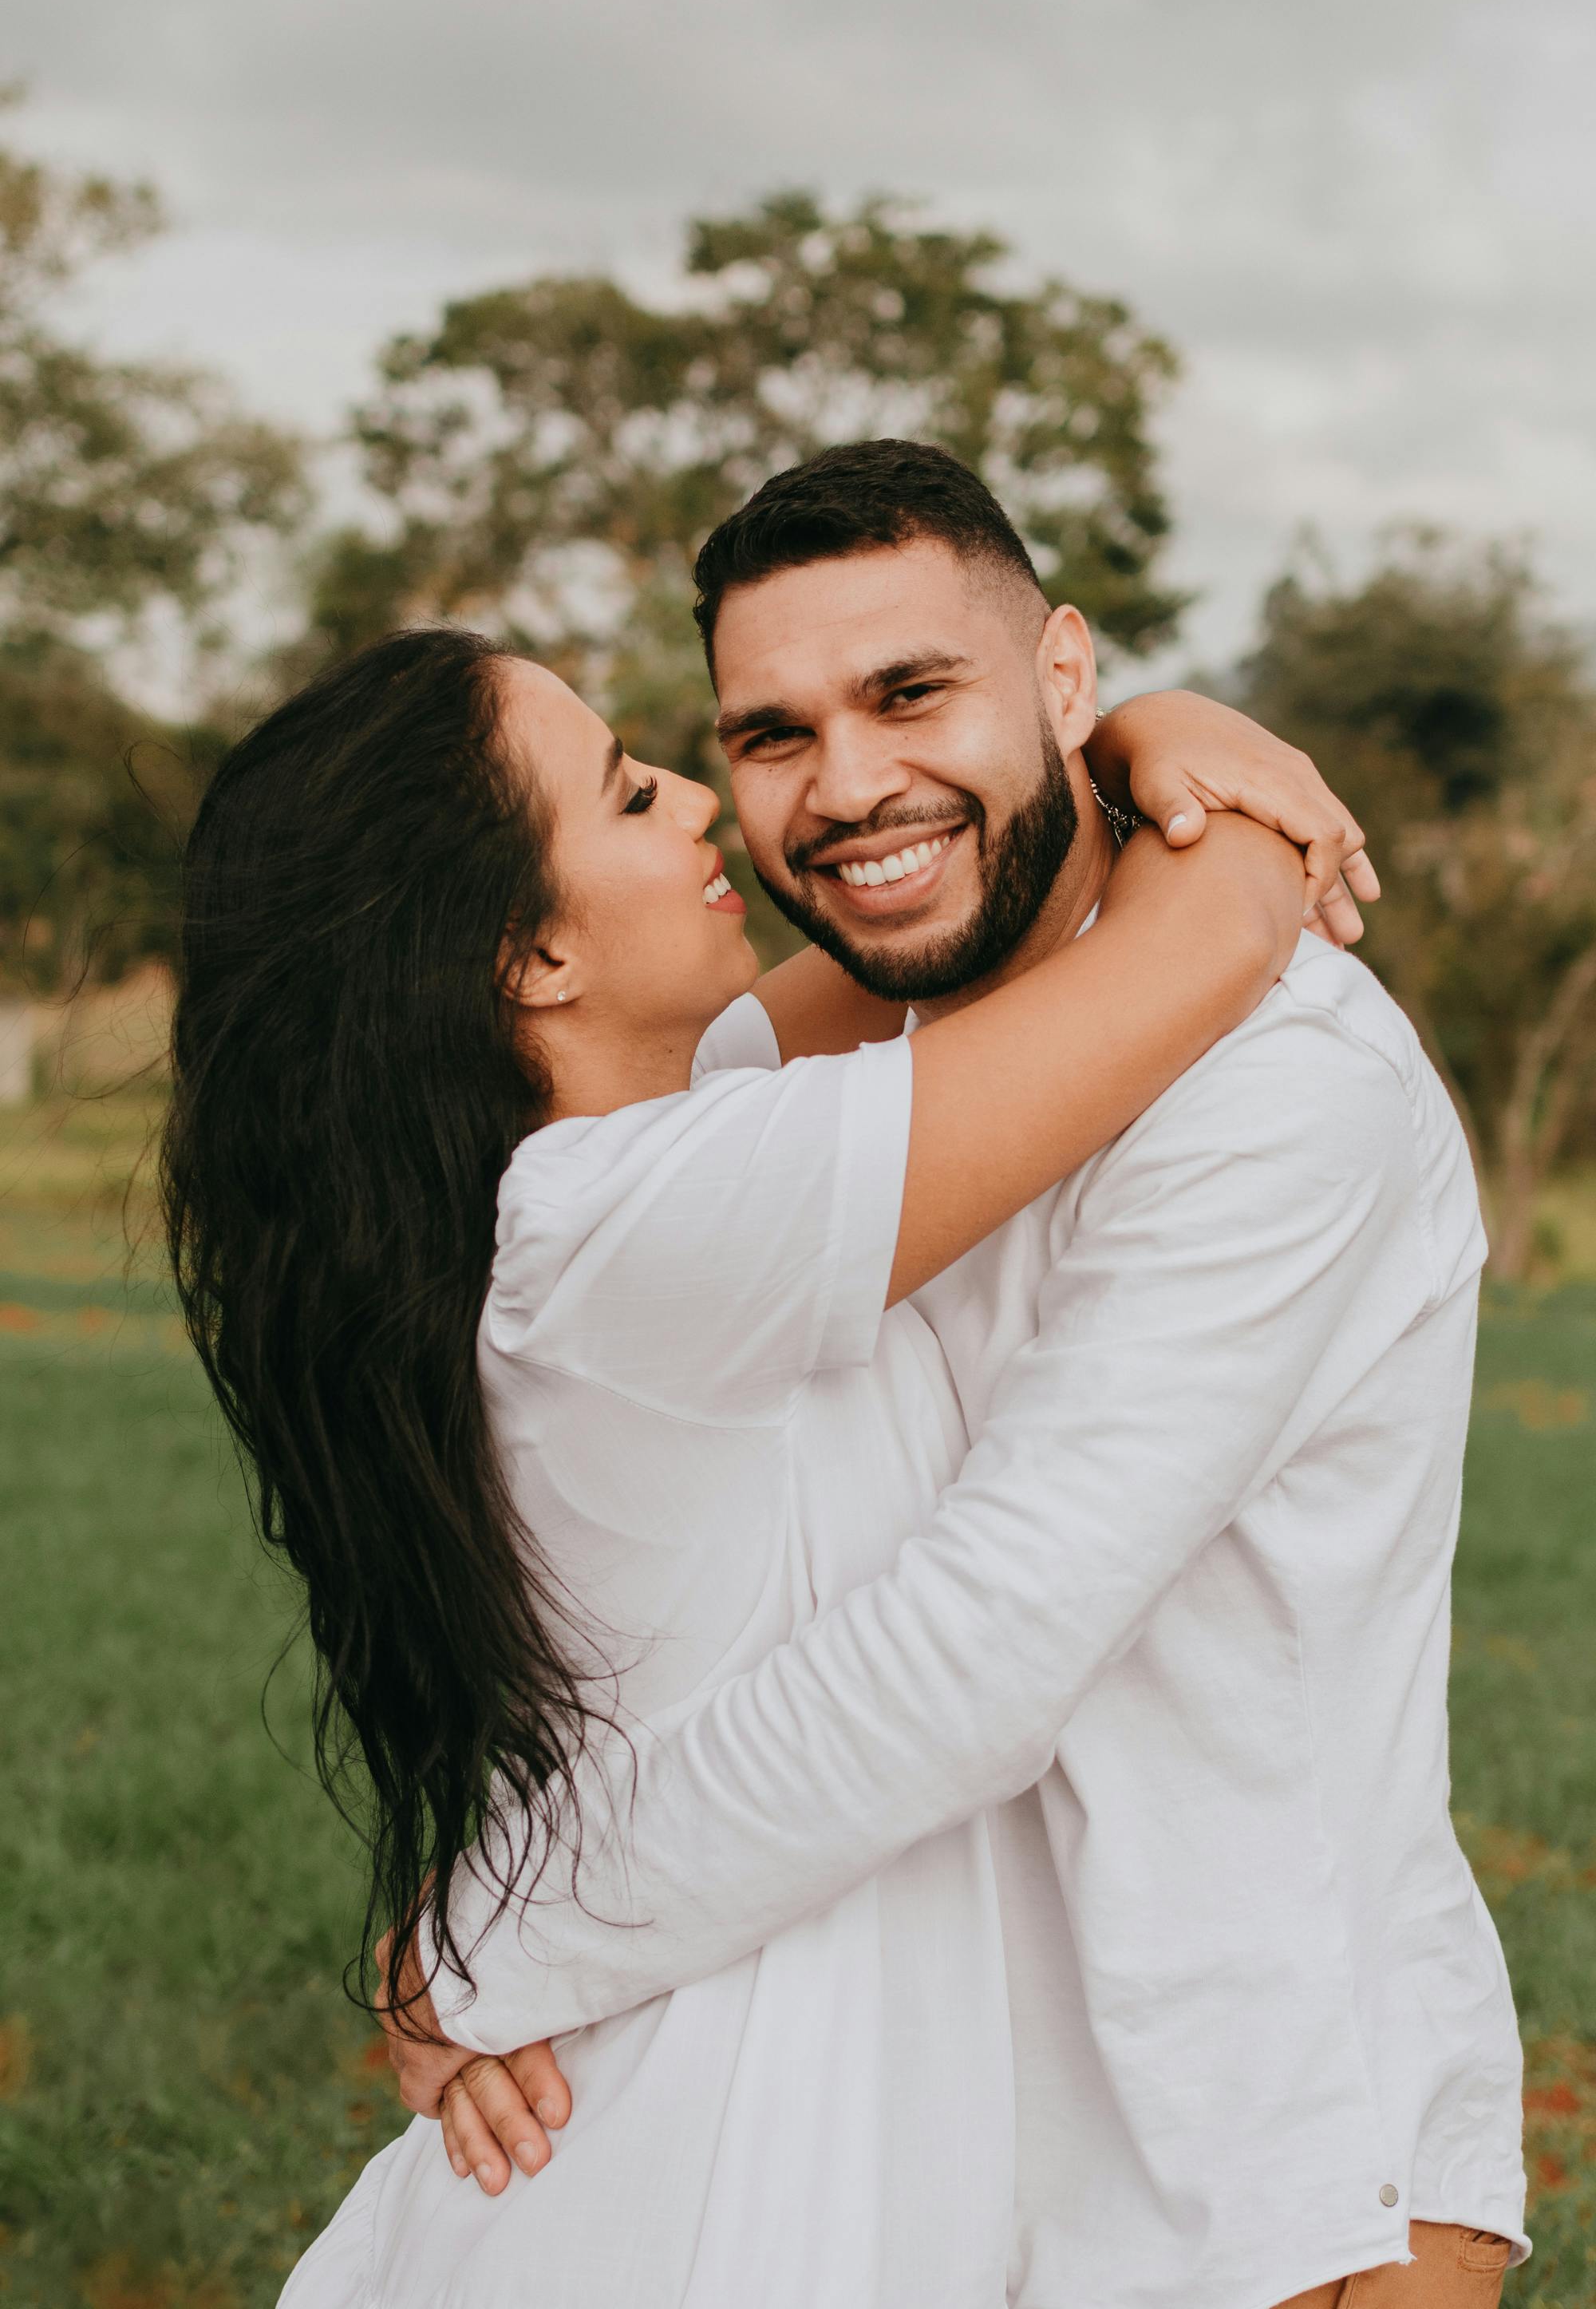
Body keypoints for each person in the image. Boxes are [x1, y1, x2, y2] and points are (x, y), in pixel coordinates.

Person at [377, 445, 1527, 2308]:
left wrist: (497, 1932)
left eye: (912, 692)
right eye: (769, 733)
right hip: (943, 2152)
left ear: (1058, 678)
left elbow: (968, 1652)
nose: (845, 785)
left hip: (1251, 2175)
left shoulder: (1284, 1087)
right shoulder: (803, 1108)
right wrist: (1165, 770)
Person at [163, 599, 1357, 2308]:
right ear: (529, 959)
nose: (698, 798)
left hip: (716, 2089)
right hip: (713, 2160)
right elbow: (1193, 950)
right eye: (629, 797)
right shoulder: (648, 1221)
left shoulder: (627, 1166)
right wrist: (1214, 805)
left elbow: (943, 939)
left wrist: (1121, 736)